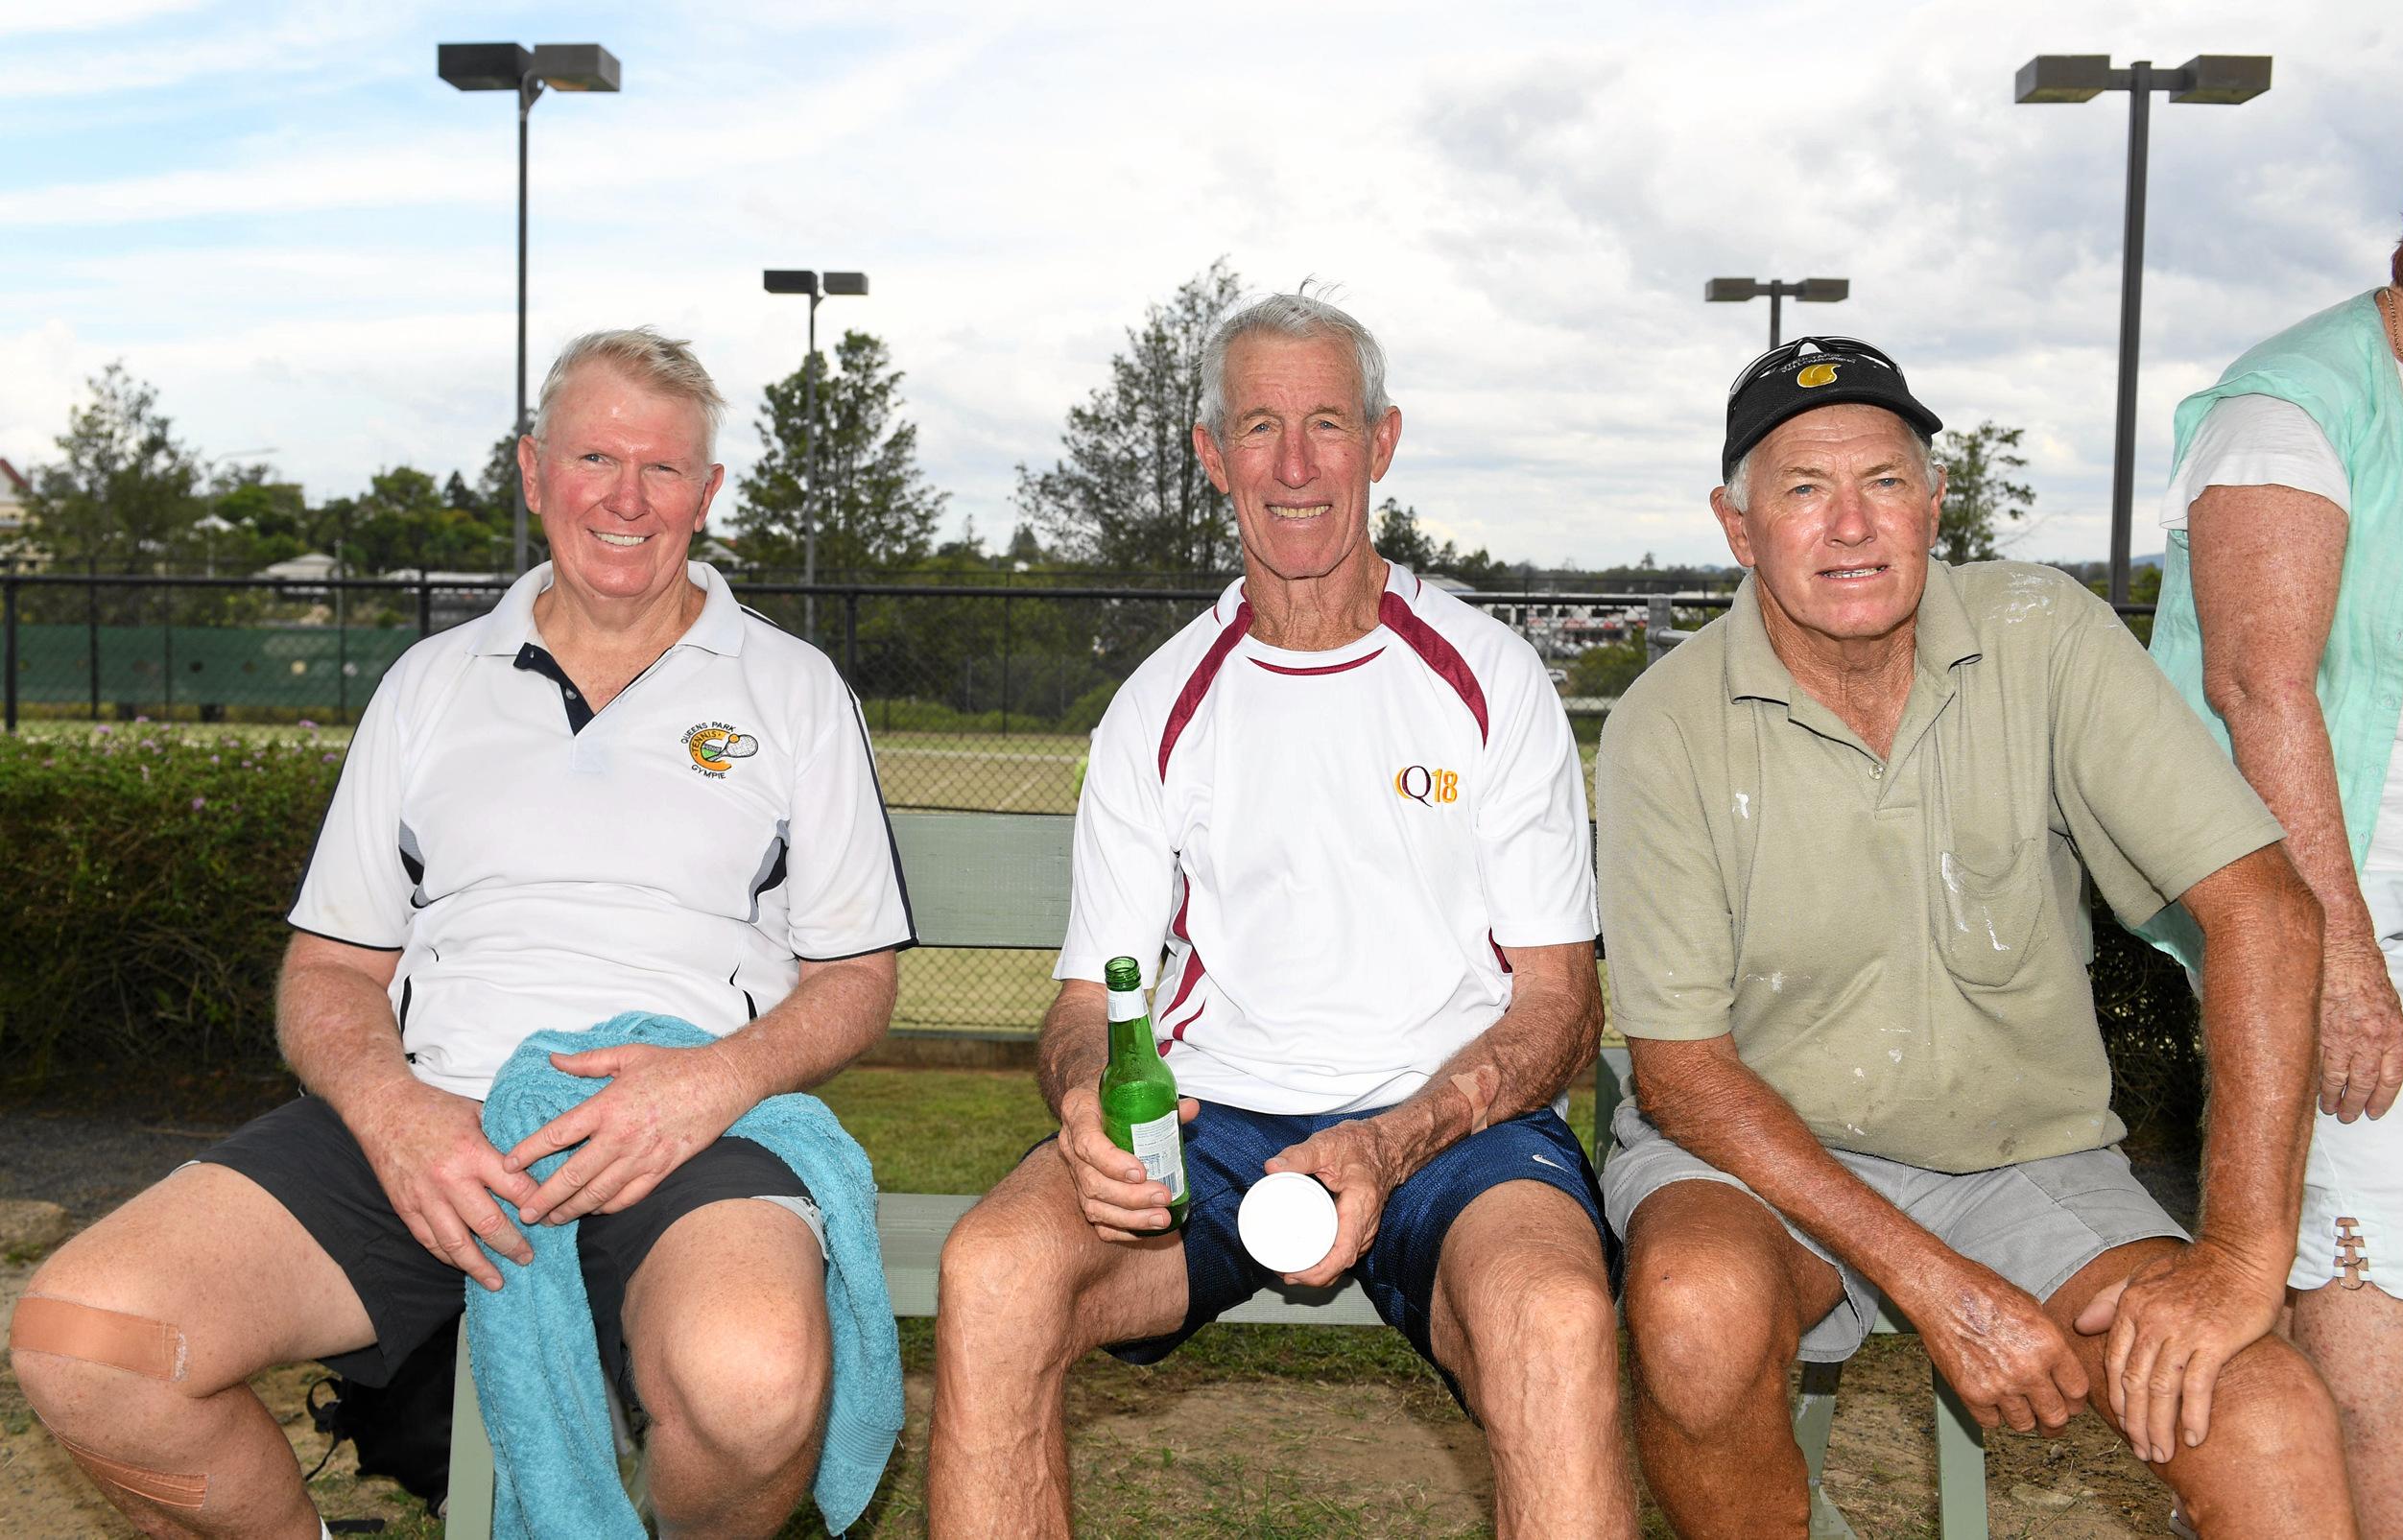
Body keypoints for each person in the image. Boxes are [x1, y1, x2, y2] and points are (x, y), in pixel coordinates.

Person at [8, 328, 914, 1540]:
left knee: (753, 1387)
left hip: (684, 1128)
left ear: (708, 495)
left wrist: (710, 1086)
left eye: (663, 469)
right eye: (596, 457)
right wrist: (391, 1116)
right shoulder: (430, 683)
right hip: (435, 1121)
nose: (627, 498)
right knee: (85, 1342)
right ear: (535, 472)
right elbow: (329, 968)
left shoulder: (794, 690)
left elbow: (855, 977)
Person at [1596, 335, 2355, 1539]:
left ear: (1935, 501)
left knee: (2260, 1410)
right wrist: (1937, 1285)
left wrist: (2240, 1257)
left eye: (1885, 482)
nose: (1851, 525)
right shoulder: (1666, 724)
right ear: (1737, 528)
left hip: (2025, 1157)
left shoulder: (2043, 633)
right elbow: (1685, 1076)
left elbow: (2266, 907)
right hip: (1763, 1161)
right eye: (1803, 489)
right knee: (1694, 1309)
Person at [926, 291, 1634, 1535]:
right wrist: (1086, 1096)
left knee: (1556, 1321)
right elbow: (1090, 1001)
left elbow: (1557, 1008)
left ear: (1382, 441)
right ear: (1211, 454)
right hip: (1213, 1121)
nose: (1295, 466)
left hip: (1452, 1121)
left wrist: (1392, 1140)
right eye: (1259, 426)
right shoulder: (1159, 705)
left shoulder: (1485, 678)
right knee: (993, 1273)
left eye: (1325, 423)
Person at [2136, 120, 2403, 1537]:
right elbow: (2259, 691)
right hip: (2334, 893)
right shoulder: (2295, 409)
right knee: (2380, 1310)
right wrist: (2340, 970)